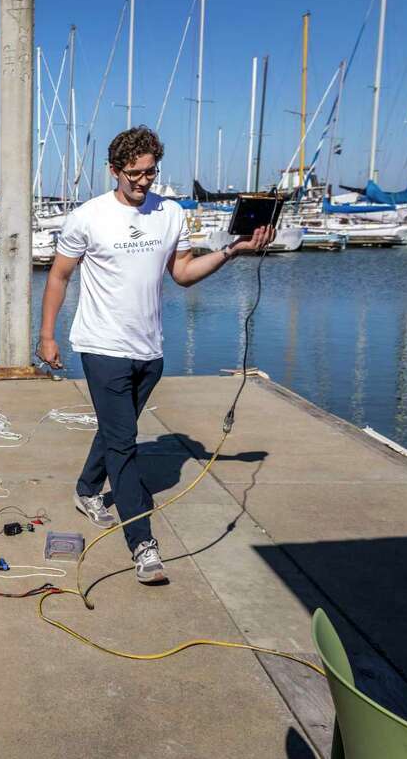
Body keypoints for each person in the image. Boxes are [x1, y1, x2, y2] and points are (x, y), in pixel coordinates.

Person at [36, 126, 272, 584]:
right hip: (101, 345)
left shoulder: (170, 213)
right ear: (114, 170)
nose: (143, 181)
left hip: (150, 349)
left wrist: (232, 251)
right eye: (134, 173)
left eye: (150, 172)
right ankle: (142, 543)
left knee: (116, 429)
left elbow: (182, 273)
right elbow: (59, 276)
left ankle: (87, 488)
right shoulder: (89, 217)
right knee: (124, 443)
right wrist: (48, 336)